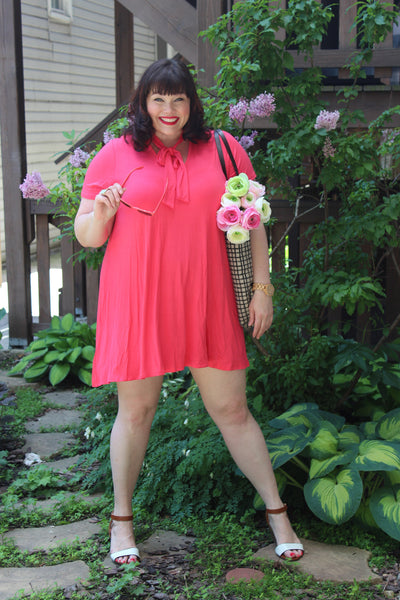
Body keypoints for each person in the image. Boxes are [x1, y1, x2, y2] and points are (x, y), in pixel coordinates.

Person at [74, 58, 304, 565]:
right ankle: (121, 522)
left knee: (232, 411)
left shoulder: (223, 148)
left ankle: (278, 514)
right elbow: (87, 235)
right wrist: (102, 215)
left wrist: (262, 288)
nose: (169, 109)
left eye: (178, 99)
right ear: (143, 103)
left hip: (208, 296)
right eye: (158, 98)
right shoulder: (115, 154)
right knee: (136, 412)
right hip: (139, 298)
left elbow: (254, 221)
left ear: (191, 103)